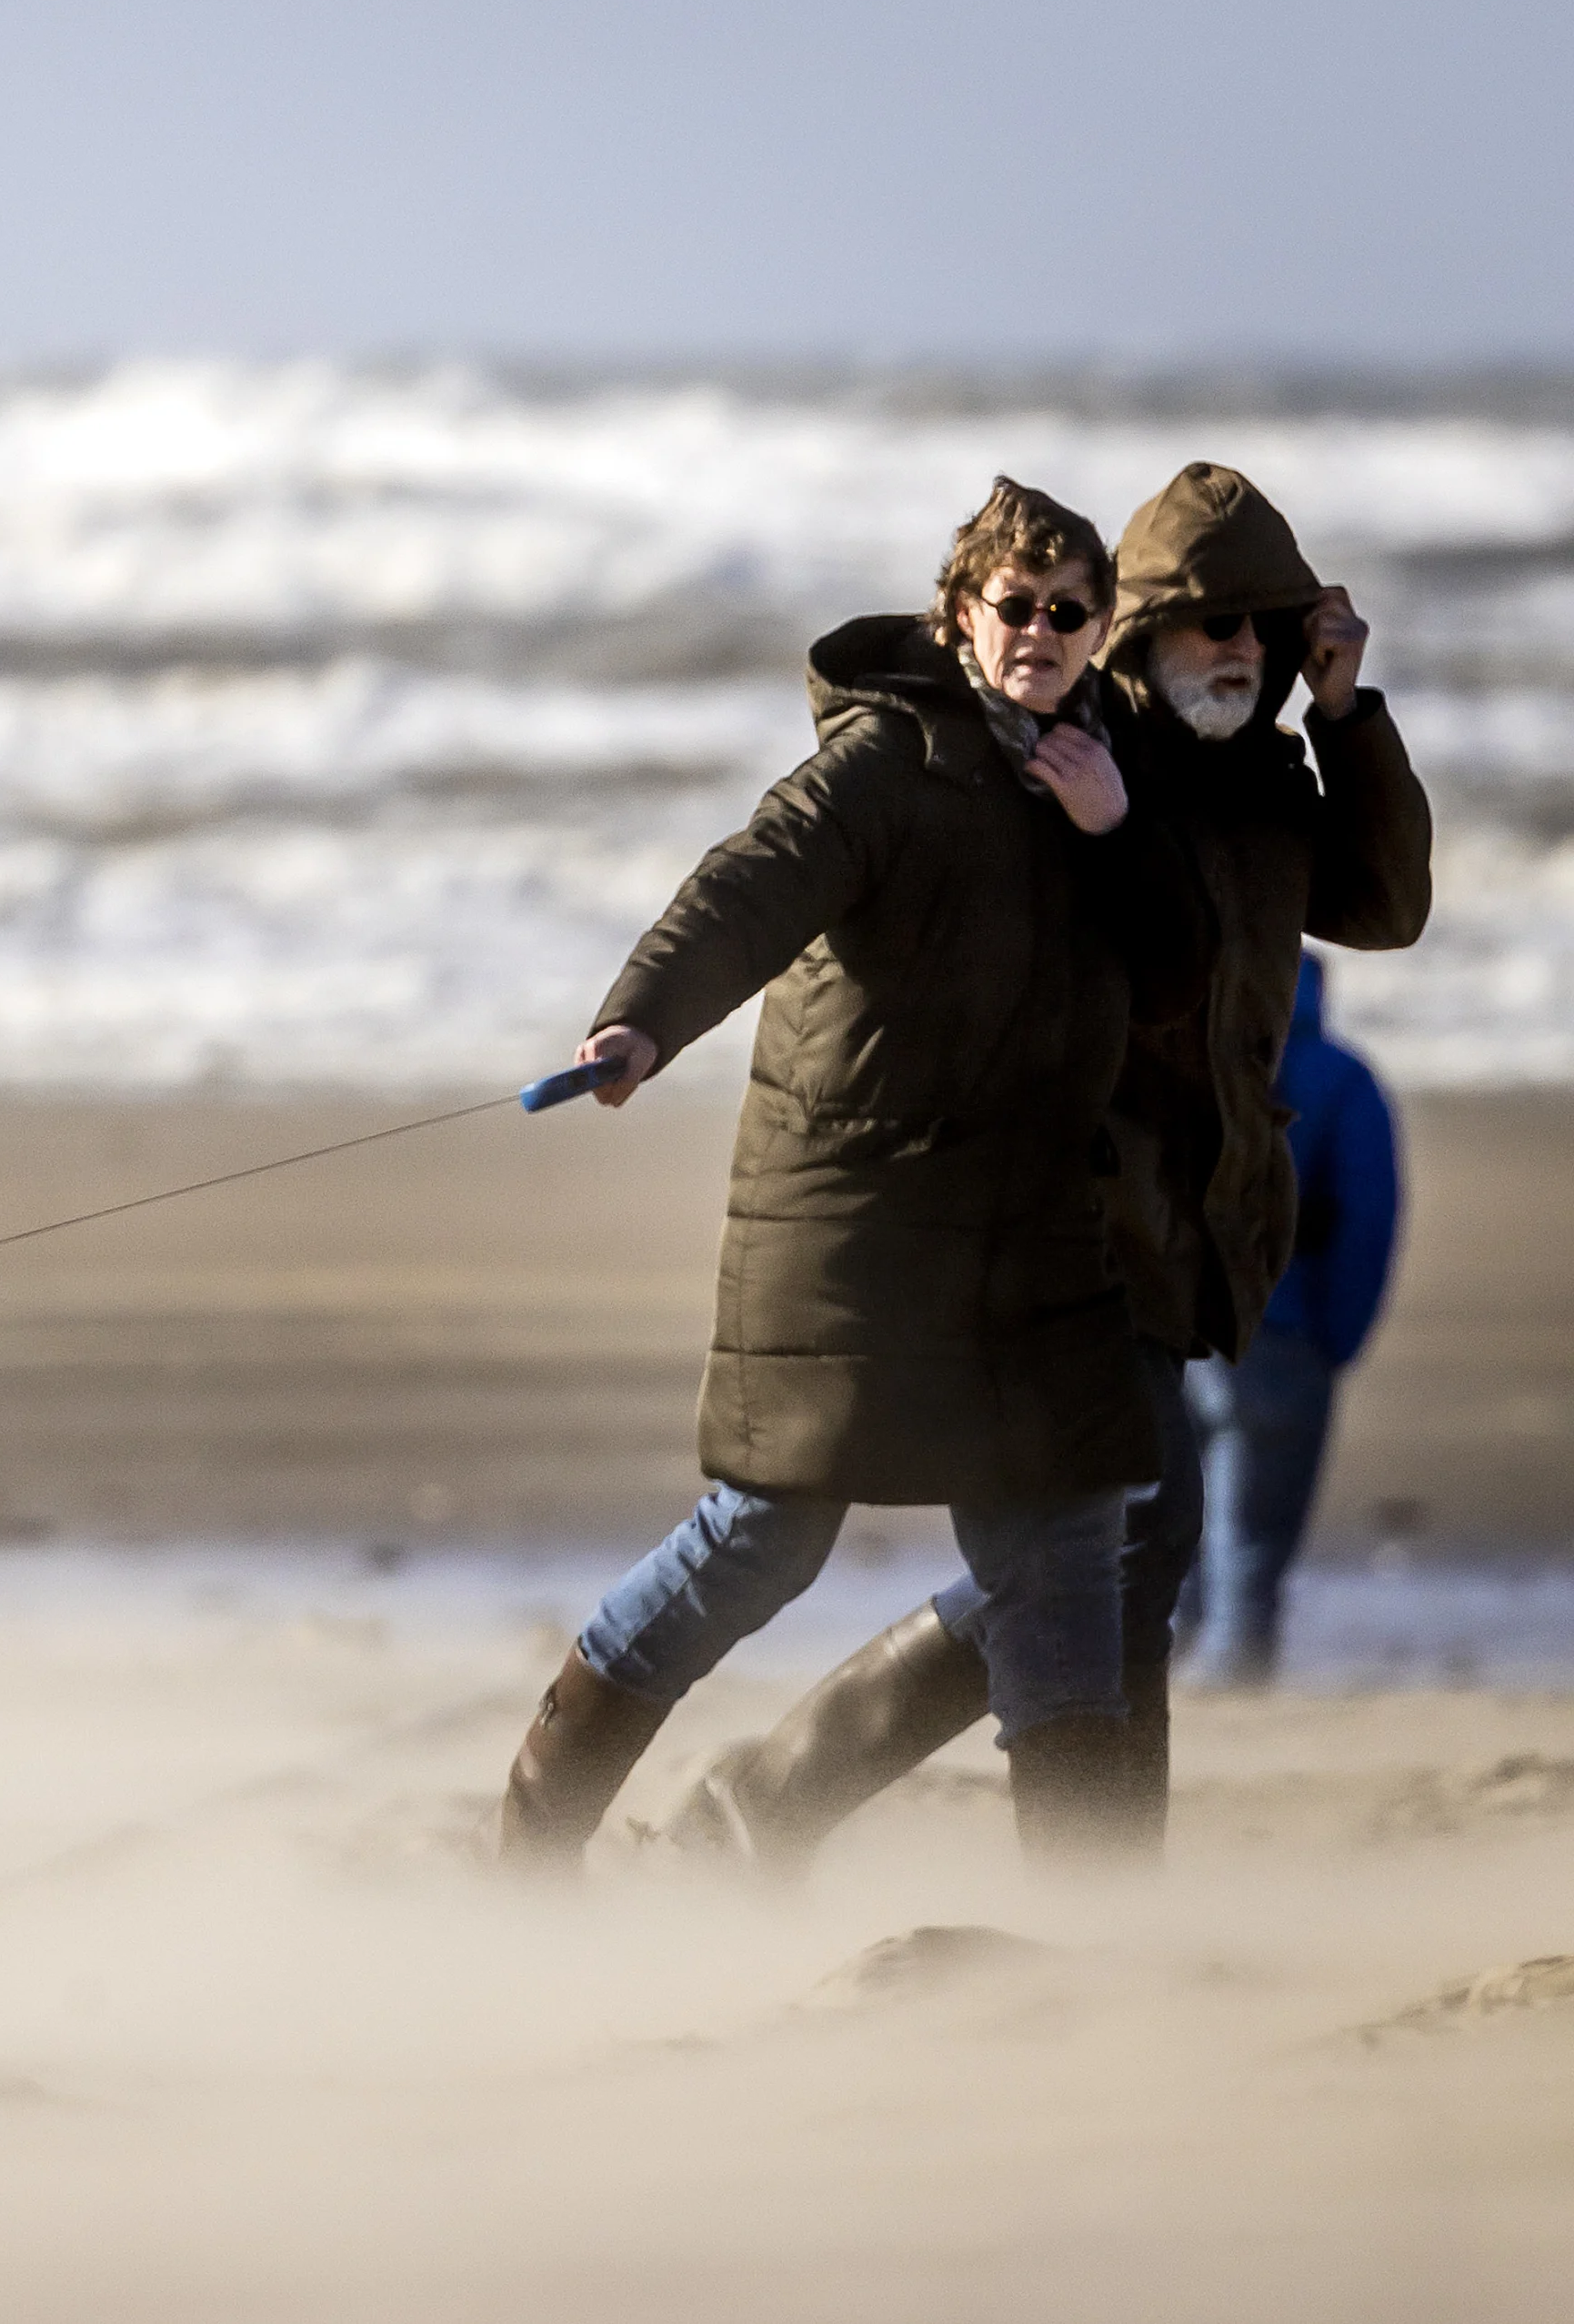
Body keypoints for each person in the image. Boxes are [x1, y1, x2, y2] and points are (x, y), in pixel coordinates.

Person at [671, 463, 1433, 1879]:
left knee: (1116, 1555)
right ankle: (1084, 1891)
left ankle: (766, 1804)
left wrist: (1344, 715)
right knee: (1127, 1551)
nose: (1242, 654)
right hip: (1071, 1223)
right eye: (1214, 627)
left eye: (1264, 631)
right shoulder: (1075, 760)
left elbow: (1387, 905)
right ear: (1139, 635)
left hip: (1200, 1227)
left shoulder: (1273, 778)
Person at [494, 477, 1195, 1878]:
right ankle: (531, 1840)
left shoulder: (1105, 770)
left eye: (1071, 611)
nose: (1042, 633)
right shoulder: (891, 759)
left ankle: (1099, 1936)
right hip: (854, 1222)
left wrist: (1118, 832)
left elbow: (1180, 976)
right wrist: (644, 1017)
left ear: (1099, 626)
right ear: (960, 616)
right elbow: (752, 881)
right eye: (1017, 606)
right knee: (762, 1541)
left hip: (1032, 1232)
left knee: (1062, 1555)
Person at [1175, 951, 1401, 1683]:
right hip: (1283, 1330)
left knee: (1166, 1519)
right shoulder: (1343, 1078)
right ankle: (1234, 1688)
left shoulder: (1187, 1060)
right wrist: (1339, 1336)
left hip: (1171, 1327)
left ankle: (1157, 1681)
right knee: (1253, 1533)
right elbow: (1368, 1218)